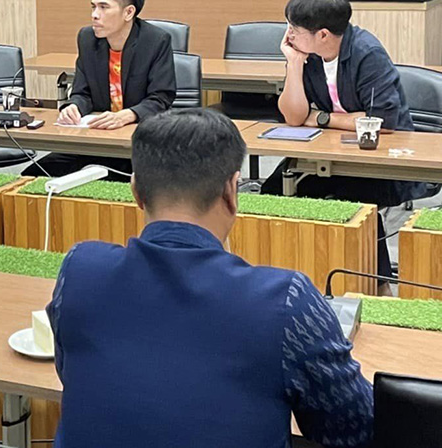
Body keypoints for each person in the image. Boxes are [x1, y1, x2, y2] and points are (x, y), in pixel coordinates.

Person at [47, 108, 374, 448]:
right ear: (232, 190)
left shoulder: (79, 270)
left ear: (136, 191)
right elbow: (356, 429)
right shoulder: (285, 300)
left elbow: (74, 372)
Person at [263, 0, 426, 286]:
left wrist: (322, 118)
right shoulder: (308, 55)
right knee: (273, 190)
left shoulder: (367, 53)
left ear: (323, 34)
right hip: (334, 153)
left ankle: (374, 283)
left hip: (381, 161)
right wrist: (294, 64)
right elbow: (294, 117)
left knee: (347, 202)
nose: (288, 35)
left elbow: (382, 121)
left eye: (294, 29)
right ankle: (299, 274)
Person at [23, 0, 175, 180]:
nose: (95, 15)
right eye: (93, 7)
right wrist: (74, 107)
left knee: (117, 182)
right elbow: (82, 92)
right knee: (33, 175)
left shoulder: (155, 41)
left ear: (128, 12)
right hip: (95, 140)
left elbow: (161, 98)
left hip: (137, 145)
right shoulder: (87, 38)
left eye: (104, 7)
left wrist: (127, 115)